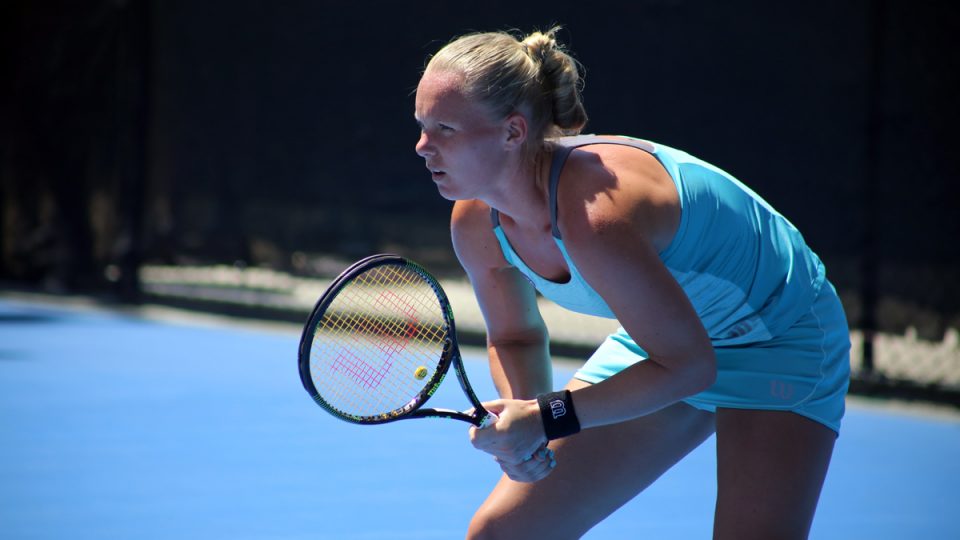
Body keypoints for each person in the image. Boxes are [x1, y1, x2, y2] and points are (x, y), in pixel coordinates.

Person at [413, 27, 850, 540]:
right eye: (421, 126)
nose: (422, 147)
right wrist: (527, 423)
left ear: (513, 132)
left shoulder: (595, 220)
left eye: (445, 129)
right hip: (664, 341)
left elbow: (690, 366)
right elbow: (516, 337)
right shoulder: (475, 223)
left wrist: (548, 417)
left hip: (780, 335)